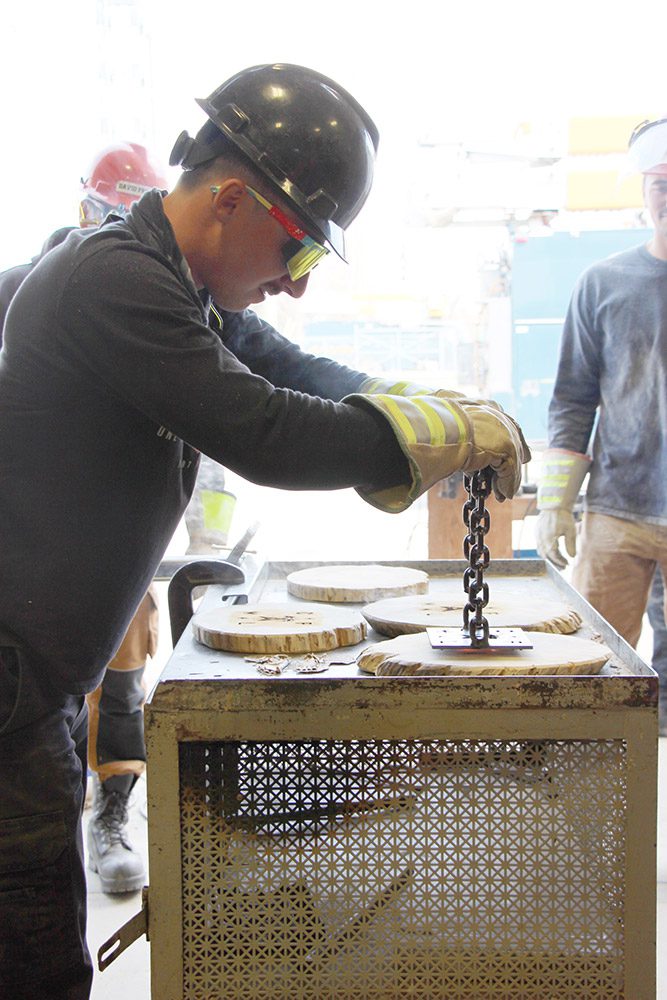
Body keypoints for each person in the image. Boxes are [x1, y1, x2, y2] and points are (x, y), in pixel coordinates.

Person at [0, 62, 529, 999]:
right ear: (233, 199)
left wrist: (434, 406)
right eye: (299, 252)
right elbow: (269, 433)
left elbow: (296, 372)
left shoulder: (179, 282)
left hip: (31, 685)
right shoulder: (112, 282)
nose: (292, 285)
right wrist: (442, 439)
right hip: (9, 687)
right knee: (31, 958)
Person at [0, 143, 167, 898]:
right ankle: (58, 827)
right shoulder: (17, 293)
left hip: (114, 553)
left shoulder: (158, 309)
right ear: (83, 212)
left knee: (120, 675)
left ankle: (111, 814)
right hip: (30, 558)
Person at [536, 114, 667, 736]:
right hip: (618, 512)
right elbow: (573, 397)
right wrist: (556, 503)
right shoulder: (604, 284)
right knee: (597, 658)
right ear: (644, 192)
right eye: (660, 182)